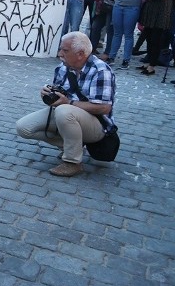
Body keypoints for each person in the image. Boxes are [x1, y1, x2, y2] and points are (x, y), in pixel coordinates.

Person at [16, 31, 116, 177]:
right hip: (69, 114)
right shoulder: (63, 67)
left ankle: (72, 162)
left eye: (65, 50)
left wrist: (69, 102)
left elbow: (104, 107)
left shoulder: (101, 70)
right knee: (23, 127)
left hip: (97, 125)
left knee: (64, 111)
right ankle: (74, 146)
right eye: (61, 49)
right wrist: (48, 93)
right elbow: (60, 95)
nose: (60, 53)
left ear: (80, 54)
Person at [138, 0, 175, 75]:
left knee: (156, 40)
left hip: (160, 15)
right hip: (150, 13)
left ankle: (152, 65)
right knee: (149, 39)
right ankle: (149, 61)